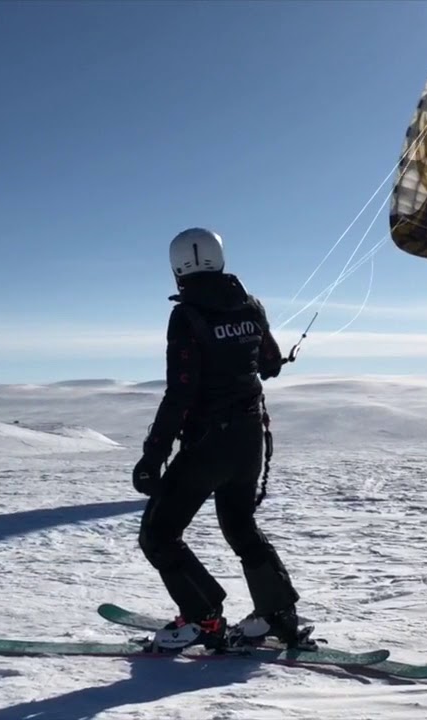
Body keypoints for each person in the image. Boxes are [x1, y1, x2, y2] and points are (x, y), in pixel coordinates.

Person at [132, 227, 303, 652]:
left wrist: (153, 456)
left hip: (209, 444)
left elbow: (181, 393)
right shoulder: (250, 305)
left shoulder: (187, 315)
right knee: (241, 527)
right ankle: (276, 612)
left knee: (159, 534)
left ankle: (202, 617)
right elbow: (269, 365)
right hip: (249, 441)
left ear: (178, 268)